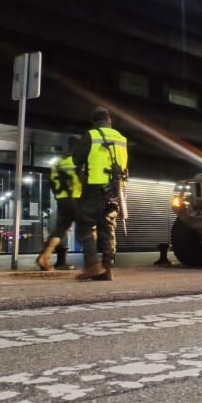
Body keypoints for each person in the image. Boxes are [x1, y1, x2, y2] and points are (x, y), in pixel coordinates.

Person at [73, 107, 128, 281]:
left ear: (94, 122)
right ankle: (108, 268)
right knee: (108, 228)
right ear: (109, 120)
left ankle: (92, 265)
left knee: (85, 225)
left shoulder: (91, 135)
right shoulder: (121, 138)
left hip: (95, 187)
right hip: (115, 189)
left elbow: (77, 158)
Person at [36, 136, 82, 271]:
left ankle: (44, 256)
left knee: (61, 229)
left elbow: (51, 181)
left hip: (62, 198)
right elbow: (83, 180)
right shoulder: (76, 162)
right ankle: (94, 262)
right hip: (76, 198)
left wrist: (58, 194)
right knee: (90, 227)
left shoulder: (58, 162)